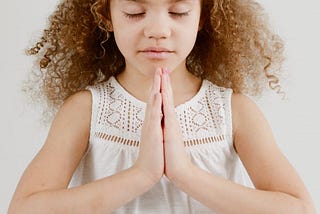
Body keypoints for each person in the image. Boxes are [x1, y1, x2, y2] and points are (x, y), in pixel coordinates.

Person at [9, 0, 315, 213]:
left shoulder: (234, 111)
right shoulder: (85, 110)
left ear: (203, 15)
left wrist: (184, 174)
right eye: (134, 12)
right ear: (106, 15)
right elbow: (24, 208)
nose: (158, 29)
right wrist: (141, 175)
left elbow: (299, 208)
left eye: (179, 11)